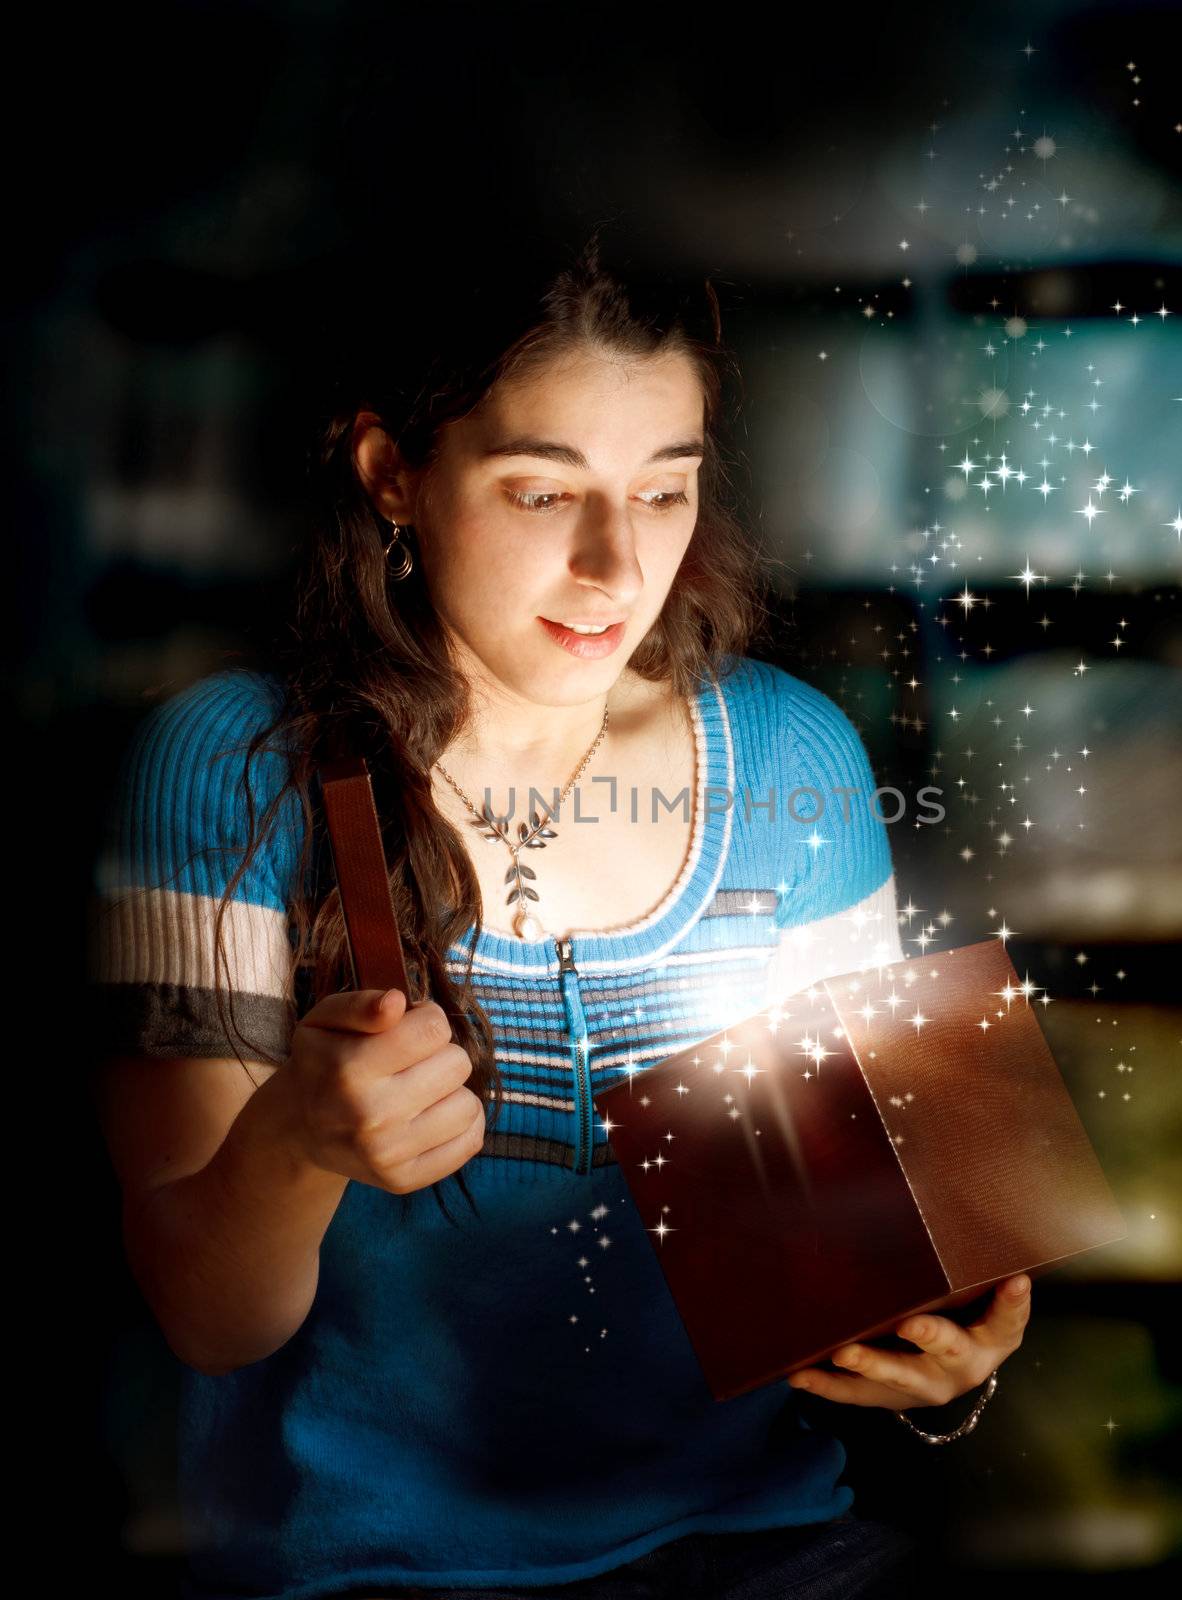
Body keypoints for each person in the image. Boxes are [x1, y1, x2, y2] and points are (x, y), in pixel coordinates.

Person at [86, 229, 1032, 1600]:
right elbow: (206, 1316)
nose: (613, 564)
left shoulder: (794, 752)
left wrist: (950, 1348)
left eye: (664, 492)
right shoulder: (234, 763)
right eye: (542, 493)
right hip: (374, 1571)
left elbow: (917, 1221)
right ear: (390, 473)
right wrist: (297, 1137)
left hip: (764, 1540)